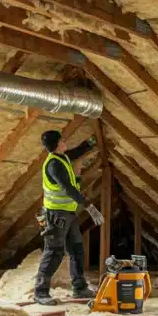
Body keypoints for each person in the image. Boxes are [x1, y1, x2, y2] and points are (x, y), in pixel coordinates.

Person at [36, 129, 103, 305]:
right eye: (62, 140)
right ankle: (40, 292)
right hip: (55, 215)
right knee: (54, 252)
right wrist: (89, 206)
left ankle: (79, 288)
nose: (65, 142)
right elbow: (68, 189)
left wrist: (89, 144)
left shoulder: (61, 157)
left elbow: (75, 153)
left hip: (68, 213)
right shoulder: (53, 165)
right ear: (58, 144)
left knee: (77, 249)